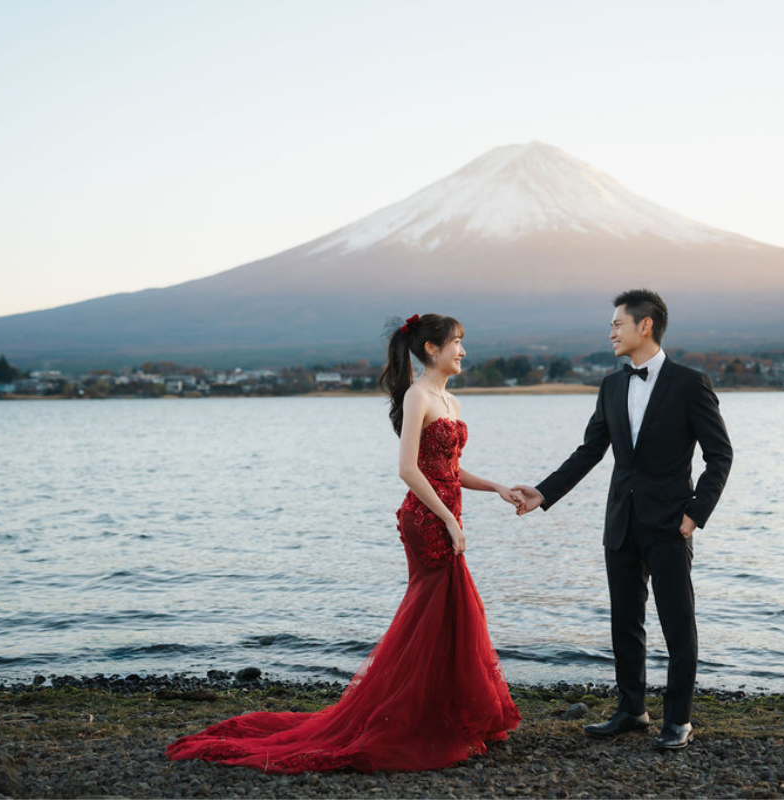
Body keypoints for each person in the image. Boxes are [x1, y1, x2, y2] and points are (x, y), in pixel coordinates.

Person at [166, 313, 522, 774]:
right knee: (434, 611)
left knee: (447, 613)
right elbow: (409, 470)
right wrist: (448, 522)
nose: (463, 351)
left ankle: (443, 713)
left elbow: (451, 471)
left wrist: (496, 488)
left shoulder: (449, 400)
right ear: (432, 349)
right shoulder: (418, 396)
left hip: (446, 513)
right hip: (426, 519)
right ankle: (418, 718)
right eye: (457, 342)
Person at [513, 289, 732, 750]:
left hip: (672, 524)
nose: (611, 331)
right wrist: (544, 491)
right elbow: (590, 450)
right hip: (621, 523)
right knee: (624, 623)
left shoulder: (691, 384)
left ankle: (679, 721)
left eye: (617, 323)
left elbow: (720, 455)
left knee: (678, 625)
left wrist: (696, 514)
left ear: (644, 325)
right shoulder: (612, 385)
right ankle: (632, 709)